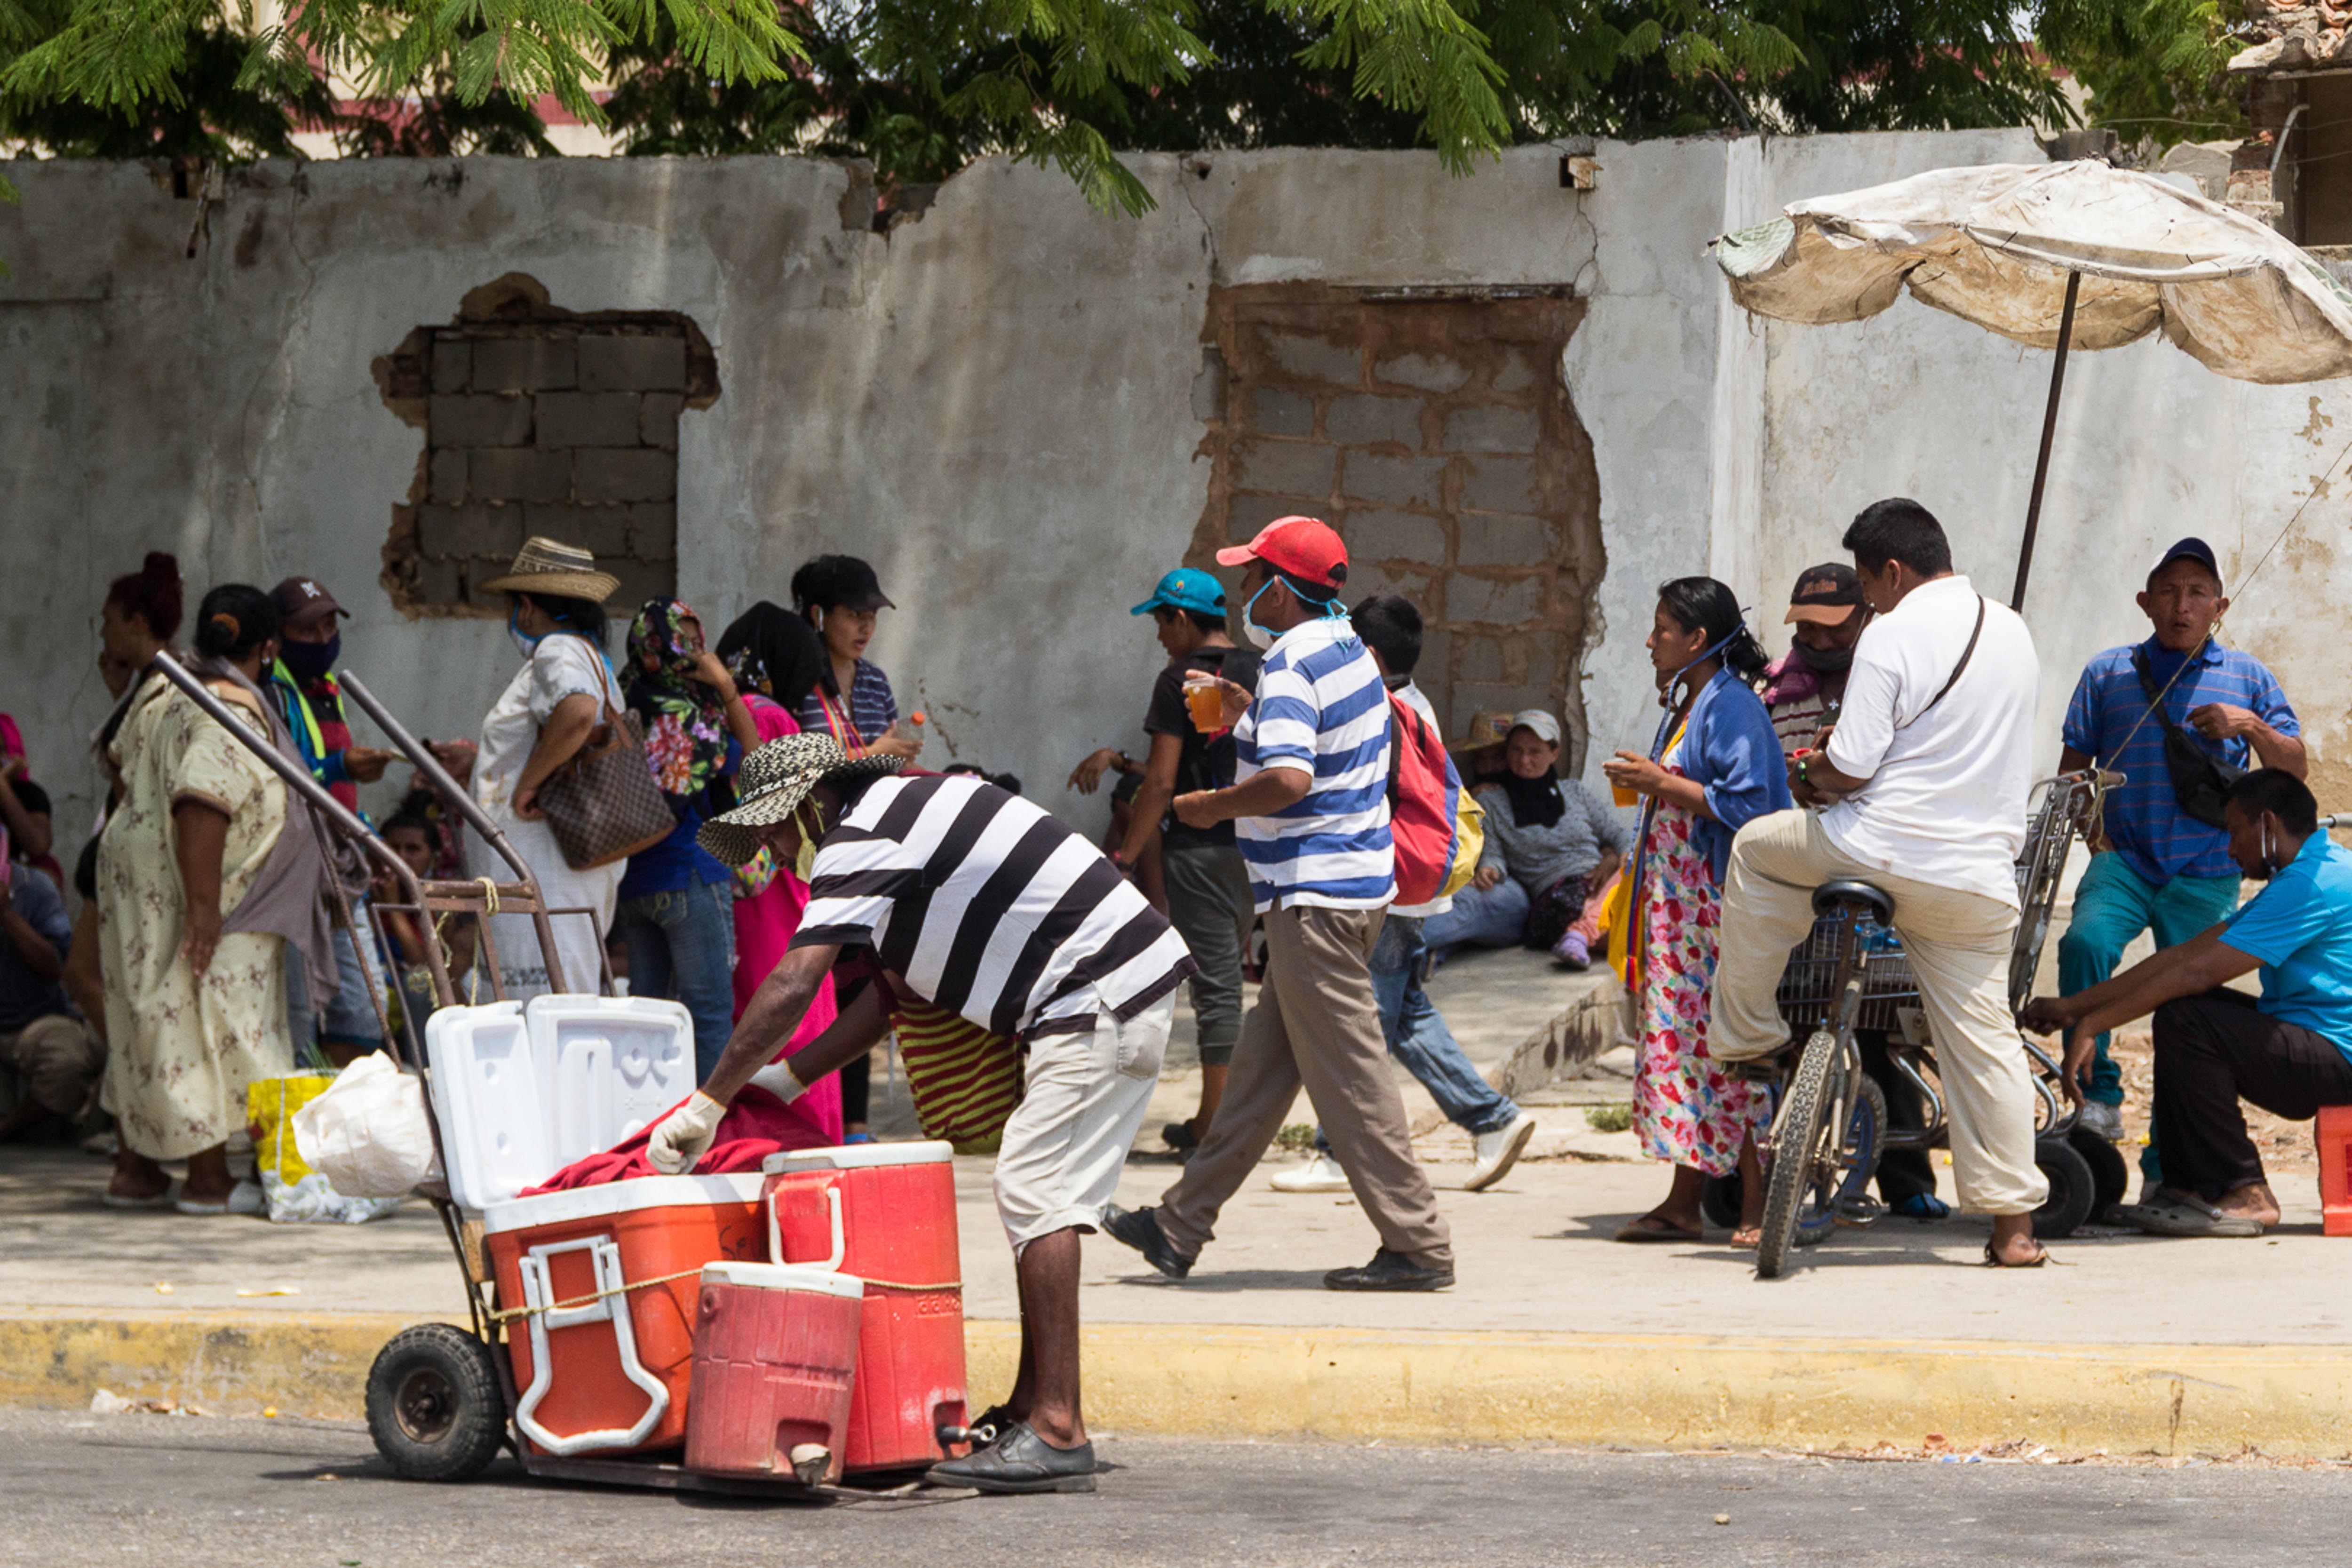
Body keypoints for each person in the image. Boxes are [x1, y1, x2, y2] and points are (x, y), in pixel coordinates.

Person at [644, 735, 1196, 1493]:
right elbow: (891, 996)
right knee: (1042, 1194)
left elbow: (795, 980)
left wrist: (710, 1100)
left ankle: (1059, 1428)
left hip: (1097, 988)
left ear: (810, 806)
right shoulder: (897, 815)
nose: (772, 848)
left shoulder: (861, 834)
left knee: (1037, 1190)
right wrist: (789, 1078)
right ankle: (1034, 1408)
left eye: (774, 828)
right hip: (1111, 983)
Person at [1104, 516, 1456, 1293]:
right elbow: (1320, 746)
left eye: (1252, 573)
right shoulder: (1349, 651)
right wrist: (1245, 711)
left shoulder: (1294, 664)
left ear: (1281, 589)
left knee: (1354, 1079)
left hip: (1313, 901)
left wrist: (1210, 806)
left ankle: (1419, 1243)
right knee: (1265, 1073)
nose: (1242, 588)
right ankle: (1178, 1225)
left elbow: (1292, 779)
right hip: (1349, 893)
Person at [1707, 499, 2052, 1267]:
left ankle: (1745, 1035)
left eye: (1867, 586)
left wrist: (1810, 770)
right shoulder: (2013, 628)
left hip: (1877, 849)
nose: (1869, 602)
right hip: (1979, 879)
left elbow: (1853, 766)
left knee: (1760, 851)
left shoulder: (1891, 632)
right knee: (1984, 1041)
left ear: (1890, 571)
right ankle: (2014, 1231)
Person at [1274, 593, 1538, 1196]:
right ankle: (1492, 1119)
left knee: (1359, 1025)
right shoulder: (1414, 704)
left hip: (1383, 890)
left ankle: (1338, 1150)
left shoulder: (1380, 712)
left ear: (1365, 652)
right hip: (1409, 891)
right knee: (1403, 1014)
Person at [2055, 537, 2301, 1154]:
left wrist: (2248, 725)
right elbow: (2071, 772)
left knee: (2188, 1004)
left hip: (2208, 866)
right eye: (2168, 591)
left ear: (2219, 606)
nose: (2181, 605)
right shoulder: (2107, 672)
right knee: (2085, 942)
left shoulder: (2248, 676)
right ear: (2145, 601)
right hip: (2126, 862)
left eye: (2196, 593)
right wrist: (2096, 837)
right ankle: (2099, 1101)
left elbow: (2294, 768)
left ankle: (2172, 1150)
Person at [2025, 771, 2351, 1237]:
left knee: (2189, 1020)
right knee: (2183, 1013)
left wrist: (2093, 1024)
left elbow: (2196, 972)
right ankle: (2190, 1188)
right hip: (2318, 1046)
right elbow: (2183, 956)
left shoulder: (2312, 884)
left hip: (2338, 1059)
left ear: (2266, 824)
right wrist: (2074, 1007)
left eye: (2234, 831)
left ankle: (2245, 1192)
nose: (2229, 849)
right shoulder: (2307, 872)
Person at [97, 584, 328, 1214]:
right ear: (269, 648)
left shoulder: (168, 690)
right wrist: (202, 903)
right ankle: (206, 1180)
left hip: (140, 876)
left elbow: (115, 762)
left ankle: (136, 1169)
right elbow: (204, 798)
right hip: (199, 885)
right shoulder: (226, 710)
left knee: (147, 1013)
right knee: (198, 1018)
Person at [1599, 578, 1791, 1244]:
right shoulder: (1696, 702)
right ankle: (1684, 1200)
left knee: (1727, 1051)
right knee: (1685, 1054)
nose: (1651, 640)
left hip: (1712, 912)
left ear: (1697, 640)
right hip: (1678, 919)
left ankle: (1755, 1207)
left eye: (1661, 628)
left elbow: (1753, 805)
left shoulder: (1733, 707)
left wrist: (1661, 783)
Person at [1758, 563, 1947, 1221]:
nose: (1814, 637)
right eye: (1804, 626)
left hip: (1879, 869)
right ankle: (1787, 1170)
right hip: (1802, 874)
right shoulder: (1775, 691)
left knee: (1875, 1028)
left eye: (1828, 627)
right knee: (1801, 1022)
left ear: (1862, 619)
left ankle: (1904, 1174)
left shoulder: (1894, 678)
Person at [1069, 566, 1257, 1154]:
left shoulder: (1180, 679)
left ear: (1179, 619)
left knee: (1218, 987)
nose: (1157, 635)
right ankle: (1232, 1118)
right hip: (1262, 845)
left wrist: (1123, 860)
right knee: (1258, 984)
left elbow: (1162, 782)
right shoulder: (1262, 668)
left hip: (1200, 848)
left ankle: (1214, 1125)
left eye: (1159, 621)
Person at [427, 539, 628, 1003]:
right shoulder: (587, 654)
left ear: (528, 607)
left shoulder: (557, 649)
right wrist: (482, 764)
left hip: (543, 866)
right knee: (560, 998)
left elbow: (577, 712)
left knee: (542, 1002)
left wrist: (526, 786)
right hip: (558, 868)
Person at [791, 552, 920, 1138]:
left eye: (872, 615)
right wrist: (876, 754)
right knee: (805, 988)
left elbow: (881, 761)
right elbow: (793, 767)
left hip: (863, 850)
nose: (866, 627)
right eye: (852, 614)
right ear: (817, 615)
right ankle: (809, 1115)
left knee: (861, 984)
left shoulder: (872, 682)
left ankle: (857, 1123)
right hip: (803, 858)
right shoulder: (796, 679)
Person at [714, 602, 844, 1143]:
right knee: (790, 1026)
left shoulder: (731, 712)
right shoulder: (769, 719)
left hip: (757, 903)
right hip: (777, 906)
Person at [613, 599, 759, 1079]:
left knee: (648, 1020)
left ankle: (649, 1124)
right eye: (691, 641)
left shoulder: (624, 697)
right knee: (709, 1013)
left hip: (633, 882)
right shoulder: (695, 711)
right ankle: (711, 1136)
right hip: (689, 874)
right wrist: (726, 689)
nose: (699, 650)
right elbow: (756, 760)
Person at [267, 576, 394, 1067]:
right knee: (297, 1013)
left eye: (328, 626)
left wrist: (369, 837)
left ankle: (343, 1113)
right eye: (307, 630)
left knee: (365, 1010)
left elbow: (336, 790)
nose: (322, 640)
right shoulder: (272, 694)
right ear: (276, 637)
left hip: (341, 863)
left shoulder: (329, 690)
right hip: (296, 869)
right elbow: (281, 778)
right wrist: (342, 767)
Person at [1426, 711, 1623, 970]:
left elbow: (1618, 835)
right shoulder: (1489, 803)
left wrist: (1613, 859)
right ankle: (1581, 932)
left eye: (1535, 752)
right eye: (1516, 751)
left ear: (1554, 754)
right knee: (1620, 926)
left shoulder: (1574, 791)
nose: (1524, 760)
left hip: (1600, 881)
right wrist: (1489, 868)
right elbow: (1491, 852)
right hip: (1556, 893)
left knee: (1640, 870)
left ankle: (1583, 932)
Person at [0, 848, 101, 1143]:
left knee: (67, 1061)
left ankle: (9, 1126)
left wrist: (7, 914)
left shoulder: (35, 888)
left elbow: (56, 967)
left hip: (34, 1022)